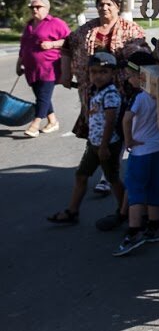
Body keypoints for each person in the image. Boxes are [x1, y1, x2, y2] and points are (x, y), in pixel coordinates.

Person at [60, 0, 147, 195]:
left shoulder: (130, 28)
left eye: (109, 4)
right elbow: (67, 46)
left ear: (117, 7)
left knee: (117, 129)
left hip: (122, 89)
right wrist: (65, 74)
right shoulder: (87, 30)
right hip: (92, 90)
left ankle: (108, 177)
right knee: (97, 128)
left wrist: (135, 60)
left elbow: (142, 52)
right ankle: (99, 168)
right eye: (101, 4)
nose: (104, 8)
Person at [47, 52, 126, 224]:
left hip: (108, 145)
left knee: (113, 179)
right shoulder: (96, 91)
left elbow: (110, 121)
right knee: (81, 175)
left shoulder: (110, 93)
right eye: (94, 72)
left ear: (112, 73)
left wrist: (104, 146)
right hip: (94, 144)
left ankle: (124, 211)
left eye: (103, 72)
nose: (98, 76)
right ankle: (72, 211)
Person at [113, 51, 159, 256]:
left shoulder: (138, 98)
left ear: (142, 76)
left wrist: (128, 140)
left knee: (136, 190)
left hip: (141, 151)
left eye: (130, 75)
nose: (127, 79)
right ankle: (154, 228)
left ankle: (134, 232)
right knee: (156, 188)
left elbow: (126, 120)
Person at [16, 0, 70, 138]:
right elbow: (24, 46)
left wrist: (52, 44)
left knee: (43, 96)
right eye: (32, 7)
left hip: (49, 67)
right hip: (31, 69)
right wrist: (19, 63)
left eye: (38, 7)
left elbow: (70, 40)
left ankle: (35, 124)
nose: (34, 9)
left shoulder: (56, 23)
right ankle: (53, 121)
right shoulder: (29, 25)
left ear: (47, 8)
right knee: (41, 96)